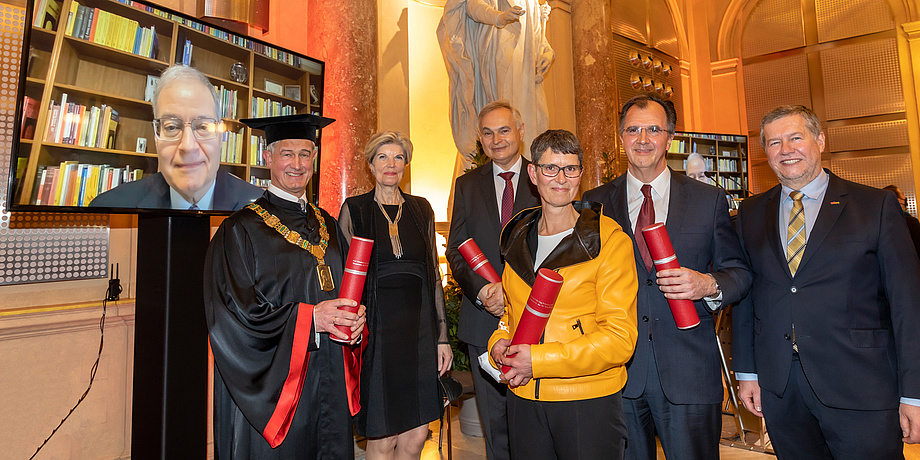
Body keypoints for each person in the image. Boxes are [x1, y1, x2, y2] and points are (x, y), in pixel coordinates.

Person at [733, 105, 920, 459]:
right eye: (774, 142)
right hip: (782, 389)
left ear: (820, 140)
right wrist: (747, 371)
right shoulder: (750, 213)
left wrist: (914, 393)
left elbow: (908, 306)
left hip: (862, 385)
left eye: (795, 138)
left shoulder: (875, 206)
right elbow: (748, 297)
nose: (785, 149)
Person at [583, 93, 751, 460]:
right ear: (621, 137)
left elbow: (739, 273)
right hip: (616, 372)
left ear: (670, 137)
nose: (643, 139)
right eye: (633, 129)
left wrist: (708, 284)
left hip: (688, 372)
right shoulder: (593, 204)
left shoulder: (709, 200)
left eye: (654, 129)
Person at [204, 113, 368, 458]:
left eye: (305, 154)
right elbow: (235, 316)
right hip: (278, 390)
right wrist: (310, 320)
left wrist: (355, 319)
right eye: (287, 154)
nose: (297, 164)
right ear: (268, 158)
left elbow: (344, 293)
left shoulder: (327, 223)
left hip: (329, 374)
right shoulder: (240, 230)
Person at [488, 129, 638, 459]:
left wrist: (538, 360)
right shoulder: (516, 236)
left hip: (586, 400)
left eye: (570, 168)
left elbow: (619, 338)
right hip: (524, 398)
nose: (561, 178)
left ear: (581, 174)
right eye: (550, 168)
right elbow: (509, 316)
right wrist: (498, 342)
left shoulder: (609, 240)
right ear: (533, 173)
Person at [337, 131, 452, 459]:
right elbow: (347, 280)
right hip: (377, 334)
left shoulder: (421, 209)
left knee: (417, 436)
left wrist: (442, 337)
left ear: (406, 164)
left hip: (418, 333)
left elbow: (433, 276)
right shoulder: (355, 210)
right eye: (383, 157)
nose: (391, 164)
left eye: (398, 157)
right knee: (383, 437)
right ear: (371, 165)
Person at [446, 100, 540, 460]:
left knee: (534, 424)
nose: (496, 139)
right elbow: (456, 247)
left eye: (504, 130)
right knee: (496, 430)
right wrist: (482, 290)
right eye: (488, 133)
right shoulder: (467, 185)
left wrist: (515, 290)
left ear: (520, 131)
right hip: (483, 320)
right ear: (481, 140)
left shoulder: (543, 175)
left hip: (537, 317)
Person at [91, 65, 262, 210]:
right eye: (172, 127)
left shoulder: (264, 212)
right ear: (156, 137)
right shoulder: (108, 211)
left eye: (203, 127)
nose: (188, 146)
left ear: (220, 138)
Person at [437, 0, 554, 169]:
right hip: (497, 49)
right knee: (501, 113)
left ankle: (528, 175)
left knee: (533, 117)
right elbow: (472, 5)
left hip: (526, 63)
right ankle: (498, 175)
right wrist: (498, 17)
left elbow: (536, 29)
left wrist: (546, 51)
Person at [883, 184, 920, 258]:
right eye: (902, 195)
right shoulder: (910, 222)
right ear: (898, 200)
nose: (904, 197)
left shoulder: (879, 224)